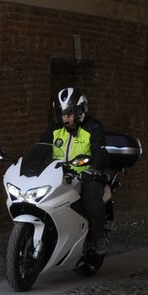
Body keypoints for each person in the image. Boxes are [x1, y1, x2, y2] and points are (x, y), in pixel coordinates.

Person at [48, 87, 108, 268]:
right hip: (59, 175)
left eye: (69, 113)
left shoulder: (93, 127)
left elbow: (100, 153)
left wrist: (94, 169)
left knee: (90, 199)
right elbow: (41, 147)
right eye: (61, 112)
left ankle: (98, 238)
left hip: (87, 175)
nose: (65, 117)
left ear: (81, 110)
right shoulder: (54, 129)